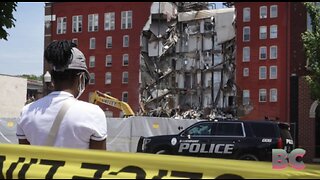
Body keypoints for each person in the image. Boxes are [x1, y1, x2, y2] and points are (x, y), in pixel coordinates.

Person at [16, 40, 107, 150]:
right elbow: (98, 162)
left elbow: (25, 157)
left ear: (53, 77)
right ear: (81, 78)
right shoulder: (94, 113)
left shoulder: (26, 112)